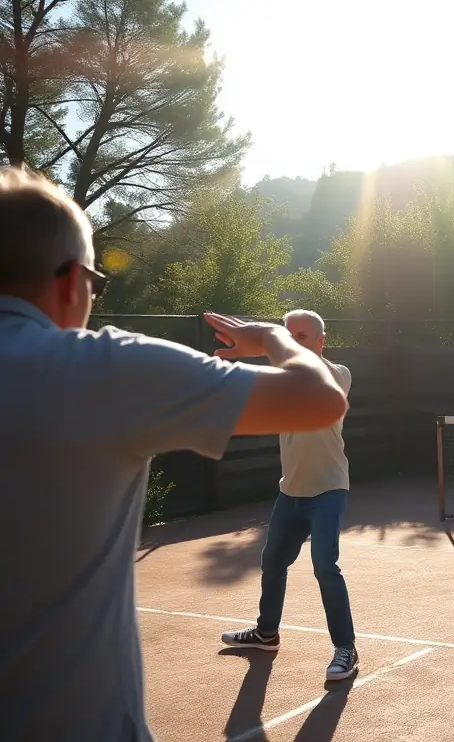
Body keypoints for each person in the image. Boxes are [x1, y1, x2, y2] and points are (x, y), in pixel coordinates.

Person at [0, 167, 349, 742]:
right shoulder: (105, 368)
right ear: (69, 281)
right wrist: (271, 340)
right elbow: (319, 399)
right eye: (95, 280)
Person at [220, 310, 359, 683]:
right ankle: (267, 633)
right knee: (272, 561)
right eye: (288, 335)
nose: (294, 342)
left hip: (329, 489)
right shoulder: (282, 381)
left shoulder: (338, 374)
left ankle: (346, 648)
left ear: (321, 340)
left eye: (302, 335)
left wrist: (269, 339)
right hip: (291, 491)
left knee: (325, 567)